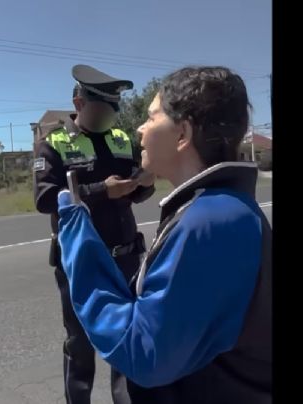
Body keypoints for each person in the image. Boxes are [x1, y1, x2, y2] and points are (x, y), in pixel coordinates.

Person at [55, 66, 272, 404]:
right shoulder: (220, 209)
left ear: (182, 134)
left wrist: (75, 232)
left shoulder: (210, 223)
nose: (140, 129)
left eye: (151, 117)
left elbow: (143, 352)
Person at [33, 64, 156, 404]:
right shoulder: (54, 144)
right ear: (79, 103)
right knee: (80, 344)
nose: (109, 115)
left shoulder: (121, 140)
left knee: (127, 339)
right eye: (102, 108)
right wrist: (102, 190)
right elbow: (45, 199)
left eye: (114, 108)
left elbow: (134, 190)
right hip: (80, 263)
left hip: (126, 257)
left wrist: (142, 183)